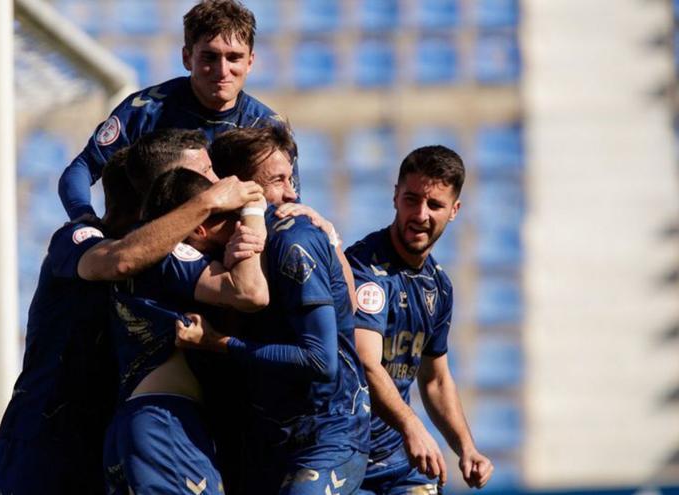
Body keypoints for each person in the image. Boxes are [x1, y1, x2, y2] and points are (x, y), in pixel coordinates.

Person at [0, 142, 264, 495]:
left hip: (106, 431)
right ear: (161, 185)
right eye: (204, 173)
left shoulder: (169, 257)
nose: (217, 182)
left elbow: (245, 291)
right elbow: (120, 260)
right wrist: (207, 203)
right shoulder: (80, 238)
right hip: (44, 431)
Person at [176, 125, 371, 494]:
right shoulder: (219, 245)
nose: (292, 192)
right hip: (265, 435)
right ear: (241, 189)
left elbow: (320, 362)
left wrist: (220, 342)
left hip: (326, 433)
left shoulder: (296, 240)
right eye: (278, 180)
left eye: (290, 178)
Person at [103, 168, 268, 495]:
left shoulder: (147, 253)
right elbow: (252, 293)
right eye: (227, 217)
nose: (235, 225)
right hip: (165, 423)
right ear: (201, 227)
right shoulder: (176, 251)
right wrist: (254, 211)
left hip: (142, 422)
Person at [344, 145, 494, 494]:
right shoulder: (365, 269)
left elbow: (436, 381)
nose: (421, 214)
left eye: (435, 205)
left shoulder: (438, 286)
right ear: (395, 197)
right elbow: (365, 363)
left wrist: (465, 447)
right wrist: (412, 425)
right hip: (344, 452)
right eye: (412, 199)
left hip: (396, 461)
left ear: (454, 210)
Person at [59, 0, 294, 220]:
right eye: (209, 57)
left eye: (234, 58)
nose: (222, 70)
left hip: (232, 250)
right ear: (187, 58)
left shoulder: (267, 128)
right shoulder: (144, 111)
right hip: (153, 246)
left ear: (250, 62)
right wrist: (84, 220)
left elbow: (289, 205)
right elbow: (81, 170)